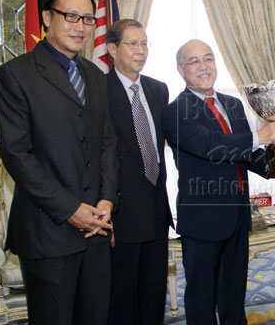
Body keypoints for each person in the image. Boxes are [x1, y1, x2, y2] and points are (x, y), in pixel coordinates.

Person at [0, 0, 118, 325]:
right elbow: (18, 155)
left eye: (88, 19)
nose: (80, 26)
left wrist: (107, 200)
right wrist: (69, 209)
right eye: (71, 16)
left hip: (96, 228)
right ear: (48, 17)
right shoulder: (14, 76)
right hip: (48, 231)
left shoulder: (94, 75)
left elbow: (106, 143)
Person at [162, 39, 275, 324]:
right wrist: (261, 135)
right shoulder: (175, 111)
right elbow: (211, 146)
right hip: (202, 221)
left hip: (236, 217)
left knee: (234, 294)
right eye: (194, 61)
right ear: (180, 70)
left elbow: (244, 153)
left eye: (208, 59)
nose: (203, 66)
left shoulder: (233, 105)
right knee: (201, 298)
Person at [104, 19, 173, 325]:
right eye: (132, 44)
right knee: (123, 298)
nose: (141, 51)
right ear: (111, 49)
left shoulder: (159, 90)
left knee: (154, 294)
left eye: (144, 43)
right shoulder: (99, 92)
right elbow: (96, 158)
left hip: (156, 209)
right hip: (121, 214)